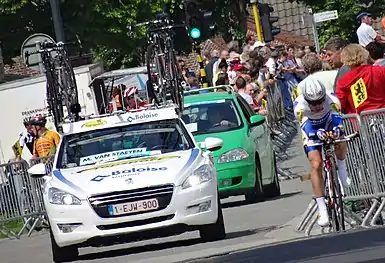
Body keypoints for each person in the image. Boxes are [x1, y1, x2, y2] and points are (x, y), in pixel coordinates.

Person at [294, 79, 351, 227]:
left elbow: (337, 118)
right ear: (307, 100)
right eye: (313, 103)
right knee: (316, 163)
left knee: (340, 139)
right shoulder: (299, 106)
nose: (317, 105)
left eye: (320, 101)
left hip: (328, 122)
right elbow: (306, 127)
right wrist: (316, 133)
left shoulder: (332, 99)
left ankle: (342, 169)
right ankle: (322, 208)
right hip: (311, 129)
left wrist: (337, 128)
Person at [336, 44, 385, 114]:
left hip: (360, 120)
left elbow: (340, 104)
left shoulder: (343, 81)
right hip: (382, 115)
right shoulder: (380, 71)